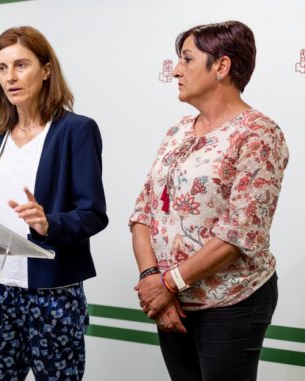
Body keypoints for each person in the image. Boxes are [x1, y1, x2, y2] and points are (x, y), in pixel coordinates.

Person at [129, 21, 288, 381]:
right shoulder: (178, 130)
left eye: (186, 59)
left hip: (232, 301)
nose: (175, 70)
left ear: (221, 66)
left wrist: (167, 284)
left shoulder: (259, 134)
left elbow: (238, 236)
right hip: (170, 302)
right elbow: (143, 213)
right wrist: (154, 279)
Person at [0, 26, 108, 381]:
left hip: (53, 293)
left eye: (20, 65)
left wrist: (49, 224)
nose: (10, 77)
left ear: (46, 70)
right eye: (1, 68)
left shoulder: (76, 130)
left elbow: (93, 214)